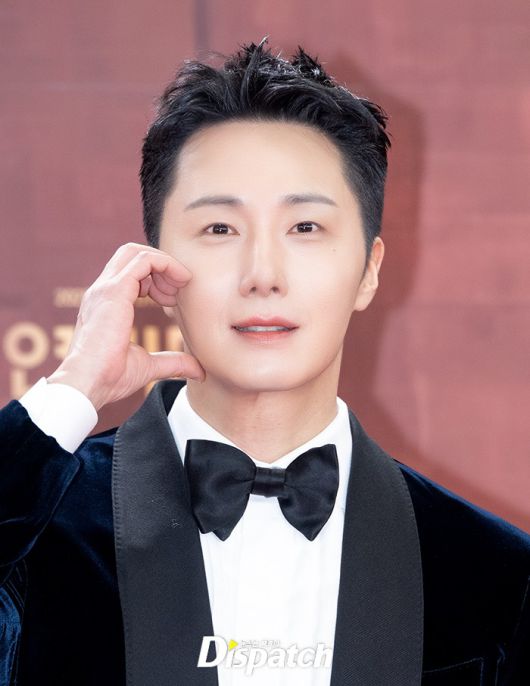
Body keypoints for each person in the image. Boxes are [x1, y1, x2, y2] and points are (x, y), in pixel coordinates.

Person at [0, 36, 528, 686]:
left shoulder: (493, 570)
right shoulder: (38, 525)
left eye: (305, 227)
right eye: (220, 229)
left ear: (369, 270)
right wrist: (74, 386)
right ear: (156, 266)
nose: (262, 274)